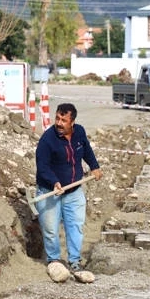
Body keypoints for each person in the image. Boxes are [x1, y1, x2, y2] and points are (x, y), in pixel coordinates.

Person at [35, 103, 102, 274]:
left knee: (75, 226)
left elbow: (86, 150)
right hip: (50, 192)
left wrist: (94, 166)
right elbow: (42, 167)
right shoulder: (47, 140)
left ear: (72, 122)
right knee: (50, 229)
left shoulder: (79, 132)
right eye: (57, 118)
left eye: (63, 120)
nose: (58, 123)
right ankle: (54, 260)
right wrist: (54, 182)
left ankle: (74, 261)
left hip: (73, 191)